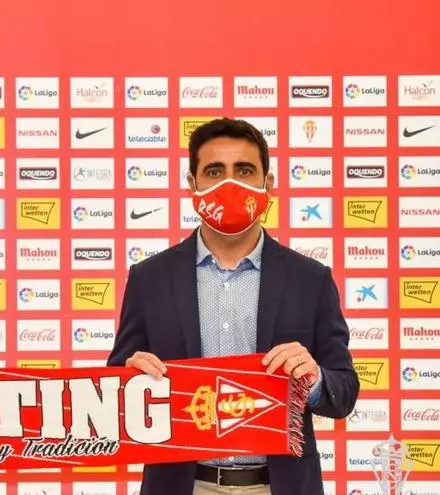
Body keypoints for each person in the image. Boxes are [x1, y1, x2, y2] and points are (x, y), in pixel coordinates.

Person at [107, 118, 358, 495]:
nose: (230, 184)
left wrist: (315, 380)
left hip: (279, 486)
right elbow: (112, 390)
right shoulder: (149, 278)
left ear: (267, 184)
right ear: (192, 185)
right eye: (214, 171)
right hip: (182, 485)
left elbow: (345, 392)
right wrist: (127, 383)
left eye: (244, 170)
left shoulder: (311, 279)